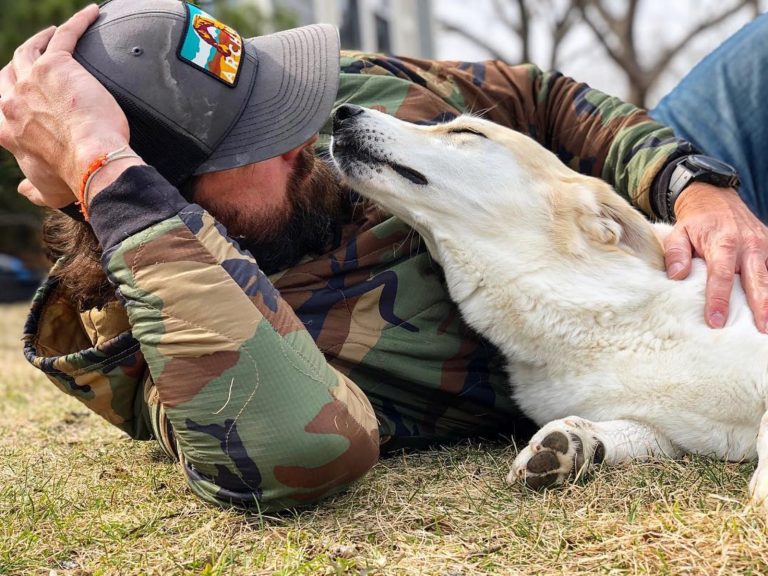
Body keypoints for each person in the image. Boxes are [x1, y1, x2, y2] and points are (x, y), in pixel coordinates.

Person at [1, 0, 767, 512]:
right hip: (621, 374)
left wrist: (690, 185)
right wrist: (102, 168)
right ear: (172, 195)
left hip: (631, 227)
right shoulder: (159, 345)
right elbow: (295, 446)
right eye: (254, 139)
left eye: (272, 100)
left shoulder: (341, 103)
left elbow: (535, 98)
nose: (306, 131)